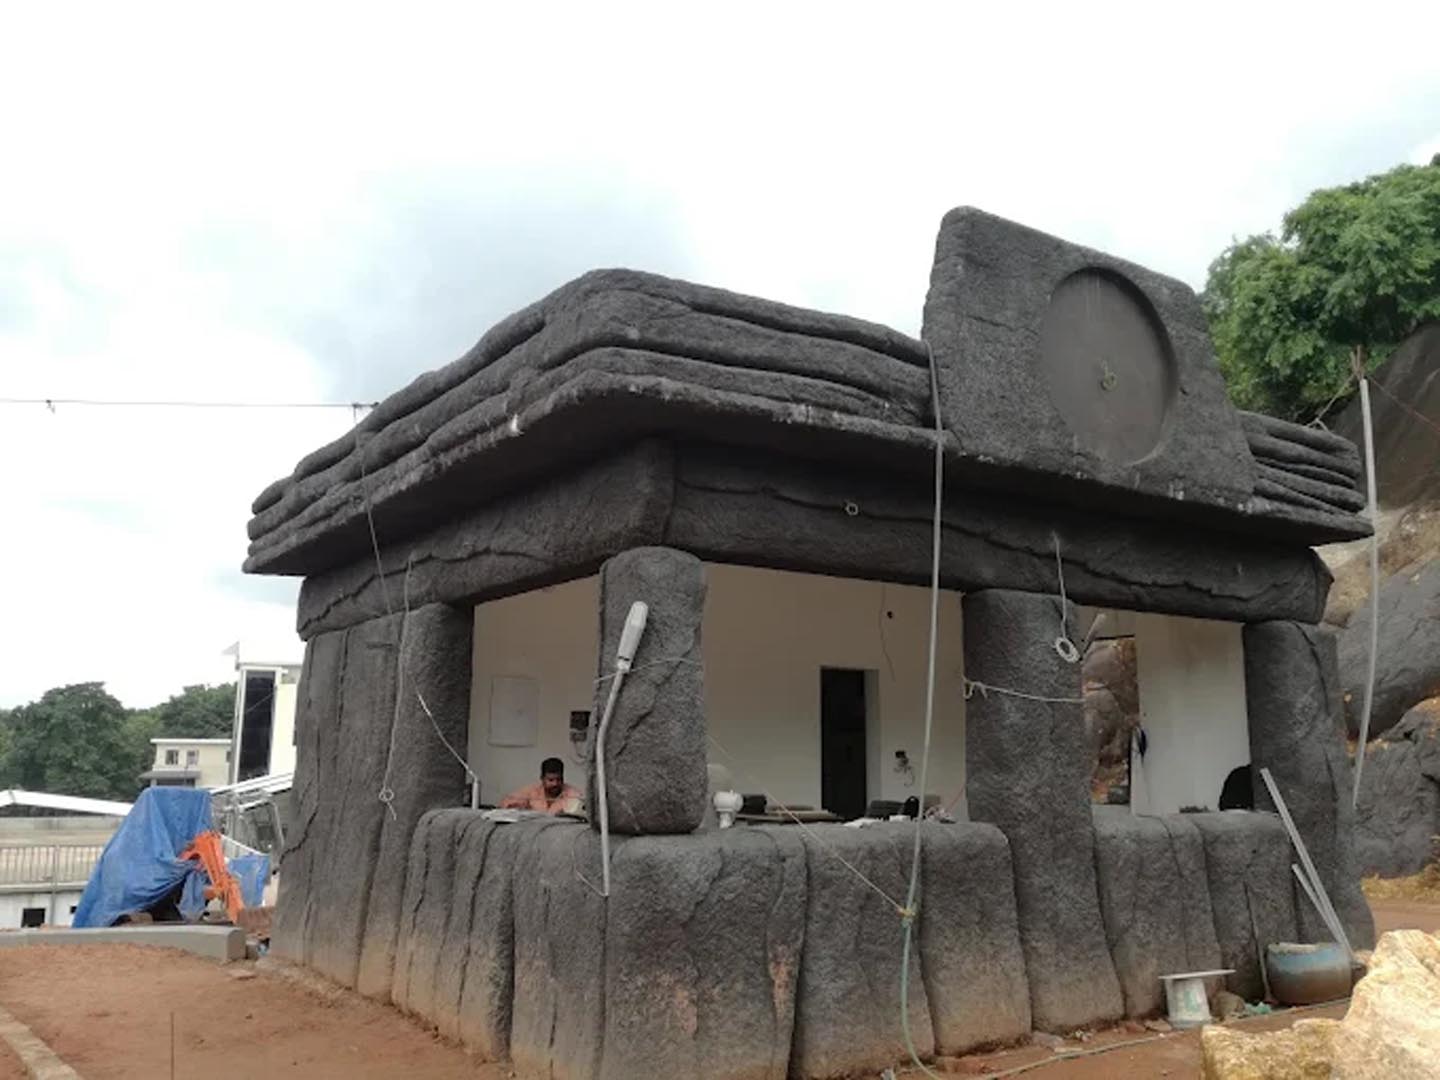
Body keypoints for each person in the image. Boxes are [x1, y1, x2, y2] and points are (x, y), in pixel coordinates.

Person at [500, 757, 581, 814]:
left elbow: (581, 811)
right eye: (551, 780)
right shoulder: (532, 790)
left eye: (559, 779)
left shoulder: (572, 794)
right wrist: (516, 807)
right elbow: (506, 803)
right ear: (542, 779)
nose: (555, 784)